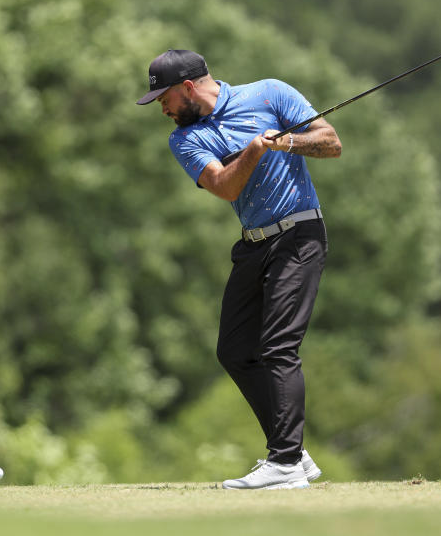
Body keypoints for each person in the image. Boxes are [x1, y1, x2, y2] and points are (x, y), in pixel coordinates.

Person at [136, 49, 342, 489]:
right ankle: (295, 456)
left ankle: (284, 462)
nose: (162, 108)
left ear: (188, 88)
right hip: (253, 246)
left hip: (299, 235)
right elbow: (225, 187)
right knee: (234, 350)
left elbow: (330, 142)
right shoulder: (184, 139)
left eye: (164, 98)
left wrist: (285, 141)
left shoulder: (271, 93)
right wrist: (253, 150)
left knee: (278, 347)